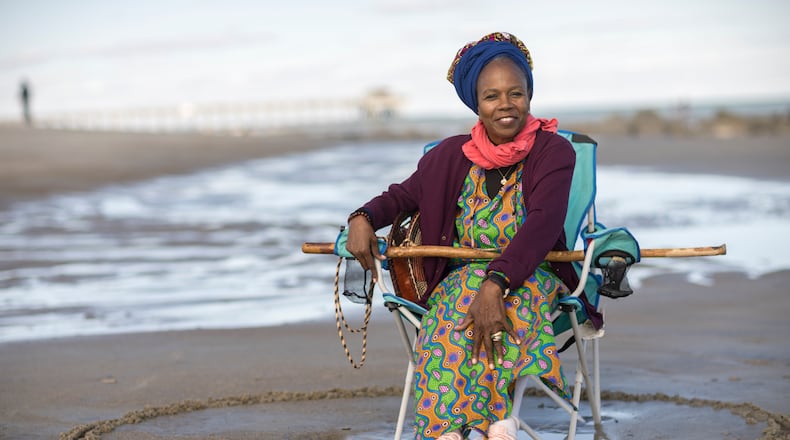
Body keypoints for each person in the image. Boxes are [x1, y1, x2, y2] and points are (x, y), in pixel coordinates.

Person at [345, 32, 601, 440]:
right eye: (492, 96)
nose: (505, 105)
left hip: (533, 272)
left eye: (515, 93)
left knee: (507, 308)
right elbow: (401, 196)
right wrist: (361, 217)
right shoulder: (449, 156)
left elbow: (544, 223)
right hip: (459, 279)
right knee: (450, 317)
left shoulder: (553, 152)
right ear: (476, 104)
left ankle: (496, 424)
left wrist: (496, 282)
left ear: (529, 96)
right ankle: (449, 431)